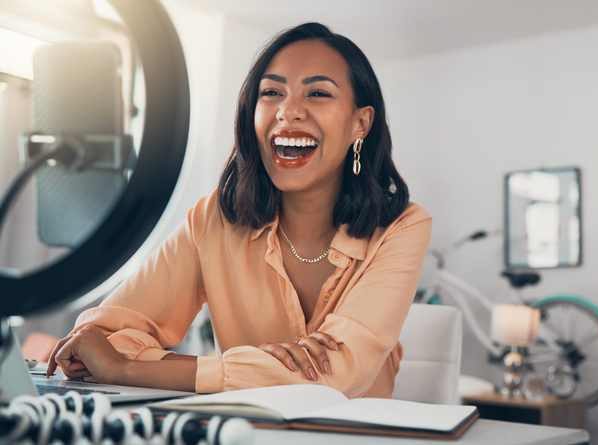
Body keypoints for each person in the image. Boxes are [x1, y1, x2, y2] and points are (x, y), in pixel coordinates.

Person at [46, 22, 431, 398]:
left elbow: (339, 375)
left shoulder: (403, 227)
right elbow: (97, 341)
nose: (288, 111)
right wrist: (115, 357)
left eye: (317, 94)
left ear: (360, 123)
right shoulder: (213, 219)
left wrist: (128, 369)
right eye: (271, 93)